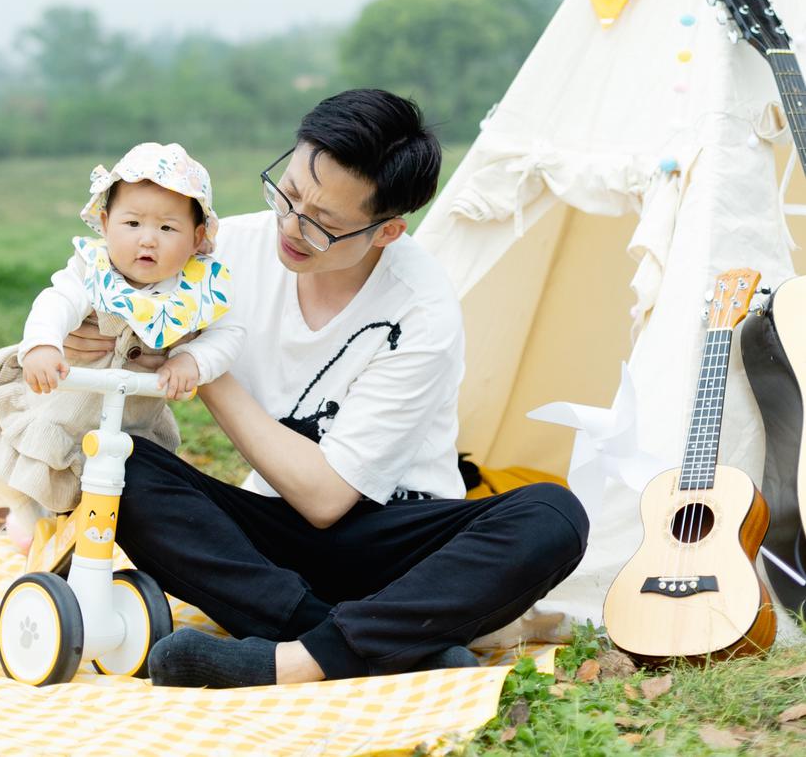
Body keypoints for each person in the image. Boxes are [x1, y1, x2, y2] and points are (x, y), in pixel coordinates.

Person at [65, 89, 589, 687]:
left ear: (387, 231)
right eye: (287, 194)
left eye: (323, 224)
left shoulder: (422, 310)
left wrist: (198, 359)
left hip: (399, 550)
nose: (291, 227)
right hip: (271, 543)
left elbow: (327, 498)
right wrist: (87, 333)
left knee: (554, 515)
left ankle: (292, 660)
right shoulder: (219, 257)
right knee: (119, 464)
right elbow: (104, 282)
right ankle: (381, 648)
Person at [0, 142, 244, 549]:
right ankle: (24, 512)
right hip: (62, 406)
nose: (148, 240)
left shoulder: (197, 290)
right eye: (132, 223)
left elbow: (229, 334)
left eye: (167, 228)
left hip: (131, 422)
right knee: (7, 467)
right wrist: (43, 344)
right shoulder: (94, 270)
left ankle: (88, 545)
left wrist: (193, 360)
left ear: (197, 237)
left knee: (120, 492)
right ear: (106, 222)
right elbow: (58, 301)